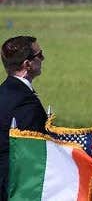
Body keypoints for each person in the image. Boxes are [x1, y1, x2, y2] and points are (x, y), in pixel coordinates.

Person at [0, 36, 49, 201]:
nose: (43, 58)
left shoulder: (4, 92)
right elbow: (37, 150)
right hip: (15, 189)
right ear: (27, 64)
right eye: (39, 55)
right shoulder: (25, 102)